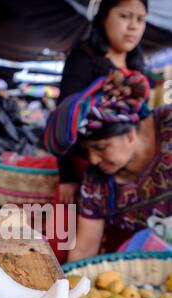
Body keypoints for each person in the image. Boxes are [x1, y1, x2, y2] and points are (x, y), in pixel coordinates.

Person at [45, 69, 172, 262]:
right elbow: (84, 248)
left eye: (100, 147)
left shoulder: (167, 124)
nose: (94, 160)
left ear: (129, 133)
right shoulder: (96, 183)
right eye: (87, 152)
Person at [57, 0, 148, 204]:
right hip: (88, 170)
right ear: (104, 18)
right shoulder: (83, 60)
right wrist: (67, 177)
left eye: (140, 19)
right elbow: (65, 118)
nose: (133, 26)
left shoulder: (139, 70)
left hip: (127, 174)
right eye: (124, 16)